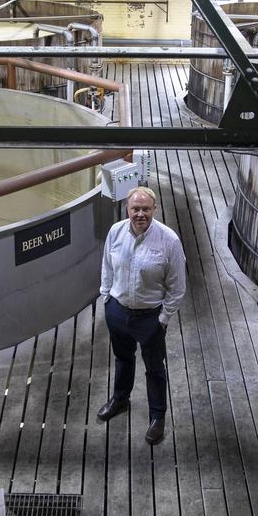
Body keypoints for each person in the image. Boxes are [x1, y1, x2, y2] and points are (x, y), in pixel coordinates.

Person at [97, 186, 187, 446]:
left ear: (154, 210)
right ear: (127, 209)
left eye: (145, 209)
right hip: (118, 310)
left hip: (150, 318)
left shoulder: (169, 241)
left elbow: (177, 287)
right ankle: (120, 400)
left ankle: (157, 417)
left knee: (155, 369)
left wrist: (163, 319)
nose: (140, 214)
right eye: (135, 209)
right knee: (123, 358)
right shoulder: (115, 232)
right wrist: (106, 298)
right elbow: (107, 266)